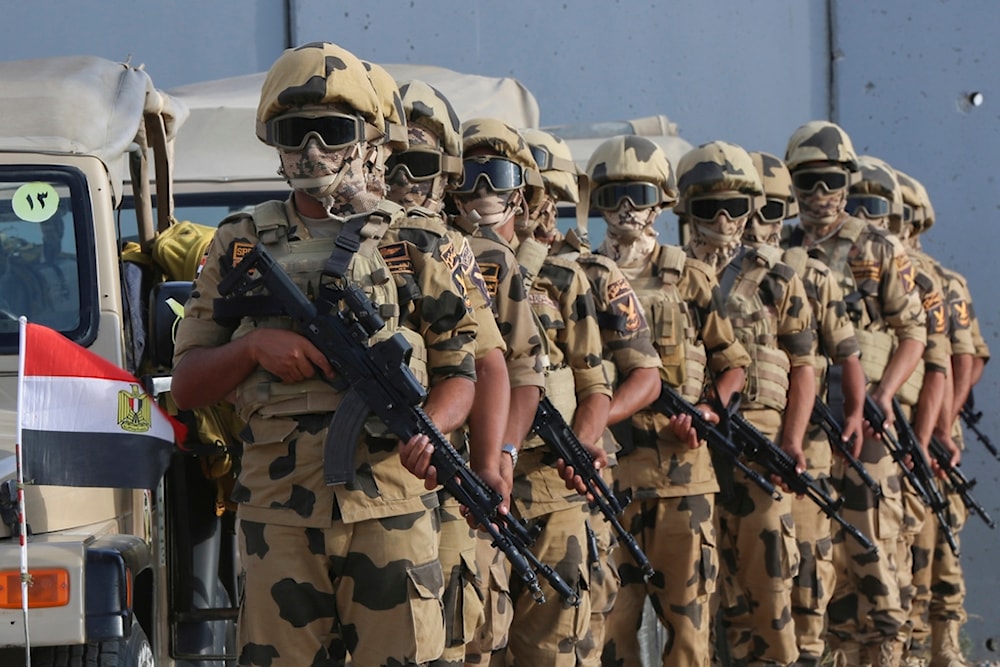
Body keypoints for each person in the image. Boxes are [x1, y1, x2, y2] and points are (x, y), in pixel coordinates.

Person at [170, 42, 481, 667]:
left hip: (391, 506)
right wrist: (256, 346)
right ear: (276, 146)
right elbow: (188, 385)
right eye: (294, 133)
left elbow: (461, 370)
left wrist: (435, 430)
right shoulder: (239, 240)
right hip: (277, 518)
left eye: (333, 132)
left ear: (368, 141)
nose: (312, 151)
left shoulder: (415, 238)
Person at [585, 135, 750, 667]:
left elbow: (734, 365)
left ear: (661, 201)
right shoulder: (579, 275)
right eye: (613, 196)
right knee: (611, 628)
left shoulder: (691, 277)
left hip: (681, 476)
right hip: (607, 475)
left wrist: (706, 413)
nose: (626, 209)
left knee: (687, 631)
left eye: (638, 193)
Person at [782, 120, 927, 666]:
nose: (819, 195)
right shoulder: (780, 247)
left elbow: (914, 333)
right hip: (806, 423)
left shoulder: (877, 247)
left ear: (847, 181)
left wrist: (885, 394)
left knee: (871, 548)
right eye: (808, 181)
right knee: (814, 557)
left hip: (863, 421)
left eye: (831, 181)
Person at [520, 127, 663, 667]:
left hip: (572, 476)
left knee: (579, 626)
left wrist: (584, 435)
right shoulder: (474, 262)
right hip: (500, 473)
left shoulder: (592, 274)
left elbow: (644, 377)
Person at [675, 141, 815, 666]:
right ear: (687, 210)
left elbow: (804, 366)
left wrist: (794, 441)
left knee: (769, 586)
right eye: (710, 207)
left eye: (737, 206)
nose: (726, 219)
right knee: (696, 597)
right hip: (688, 450)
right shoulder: (670, 276)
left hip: (759, 446)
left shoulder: (777, 278)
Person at [388, 78, 512, 667]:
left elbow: (488, 363)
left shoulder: (450, 248)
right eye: (393, 157)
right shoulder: (339, 233)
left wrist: (489, 462)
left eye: (420, 160)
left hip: (438, 469)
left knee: (449, 640)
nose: (403, 176)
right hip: (359, 482)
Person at [745, 150, 865, 667]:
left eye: (771, 210)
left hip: (806, 447)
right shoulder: (708, 275)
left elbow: (846, 354)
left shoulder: (812, 276)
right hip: (740, 446)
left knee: (807, 571)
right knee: (746, 580)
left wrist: (857, 412)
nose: (755, 224)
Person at [446, 117, 547, 665]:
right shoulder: (432, 248)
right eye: (470, 176)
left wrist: (501, 455)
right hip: (425, 471)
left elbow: (520, 372)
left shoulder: (501, 263)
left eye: (497, 176)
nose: (483, 191)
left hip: (493, 475)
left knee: (482, 628)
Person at [848, 155, 955, 664]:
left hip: (895, 427)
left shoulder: (925, 280)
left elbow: (940, 366)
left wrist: (931, 433)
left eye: (874, 206)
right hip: (848, 422)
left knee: (897, 547)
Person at [895, 169, 981, 667]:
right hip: (889, 428)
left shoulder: (938, 280)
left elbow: (961, 359)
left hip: (928, 428)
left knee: (936, 537)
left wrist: (943, 425)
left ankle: (942, 645)